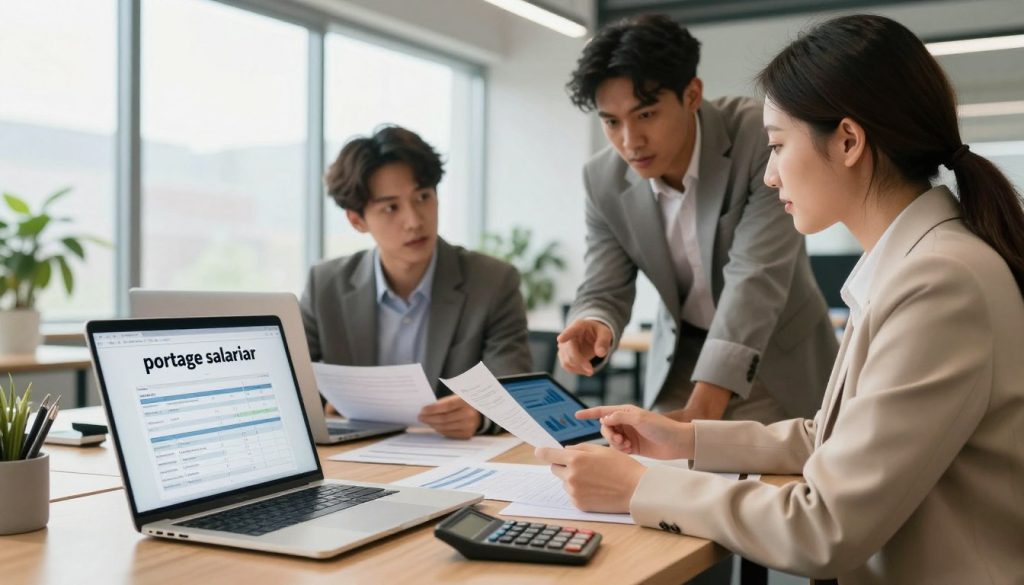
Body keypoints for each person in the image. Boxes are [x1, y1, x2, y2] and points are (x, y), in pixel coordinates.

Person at [537, 14, 1024, 584]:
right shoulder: (919, 263)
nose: (768, 175)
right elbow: (833, 435)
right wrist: (686, 440)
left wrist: (640, 485)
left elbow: (824, 530)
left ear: (847, 141)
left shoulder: (939, 284)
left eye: (777, 146)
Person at [557, 14, 837, 426]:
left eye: (646, 114)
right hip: (679, 361)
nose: (630, 142)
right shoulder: (602, 179)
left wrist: (703, 411)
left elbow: (756, 278)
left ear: (691, 95)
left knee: (769, 481)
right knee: (656, 478)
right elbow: (604, 282)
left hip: (775, 360)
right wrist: (592, 320)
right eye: (611, 122)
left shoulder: (758, 139)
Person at [300, 125, 532, 438]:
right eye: (391, 207)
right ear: (357, 220)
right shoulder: (325, 285)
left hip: (456, 459)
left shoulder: (492, 282)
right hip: (359, 461)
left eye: (423, 197)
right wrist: (323, 405)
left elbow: (515, 389)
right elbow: (293, 386)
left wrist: (478, 416)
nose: (414, 221)